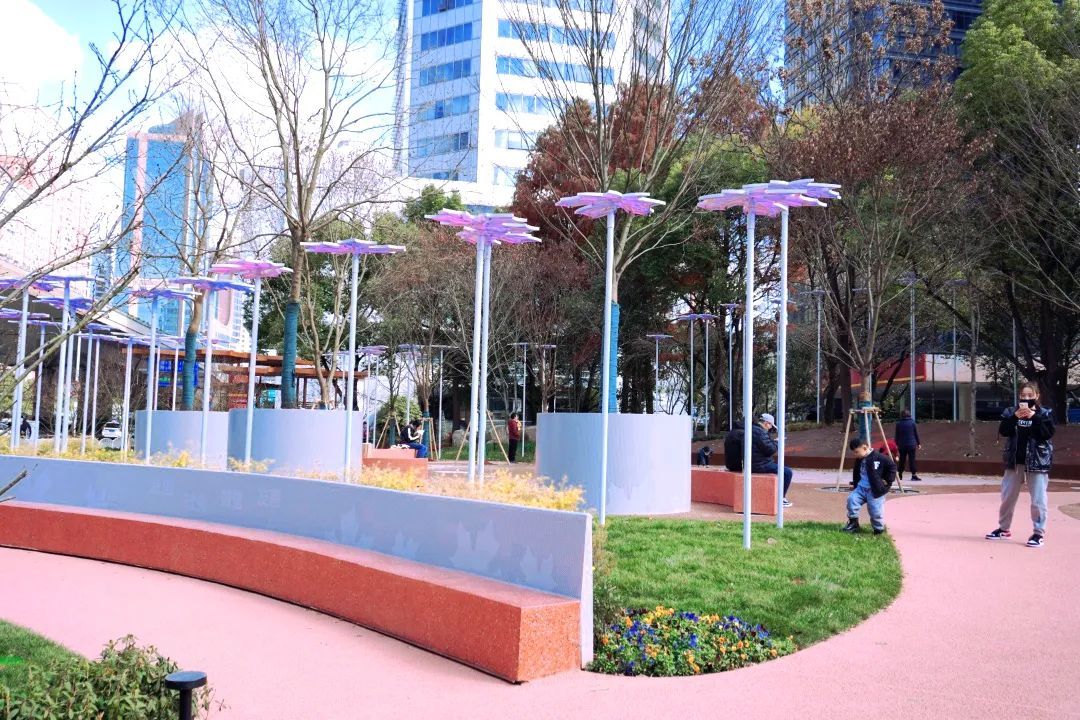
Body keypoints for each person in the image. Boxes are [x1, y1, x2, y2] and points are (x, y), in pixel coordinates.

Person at [985, 382, 1055, 547]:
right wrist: (1015, 417)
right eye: (1023, 395)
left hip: (1037, 463)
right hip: (1014, 462)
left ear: (1037, 396)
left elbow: (1047, 434)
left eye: (1030, 395)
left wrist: (1034, 417)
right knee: (1007, 497)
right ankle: (1004, 529)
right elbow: (1004, 431)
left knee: (1038, 500)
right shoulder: (1011, 412)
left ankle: (1038, 533)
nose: (1026, 398)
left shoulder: (1044, 413)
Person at [842, 437, 896, 535]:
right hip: (861, 488)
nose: (855, 454)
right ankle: (853, 523)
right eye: (854, 452)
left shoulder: (879, 457)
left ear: (865, 448)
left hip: (875, 490)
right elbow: (857, 473)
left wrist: (888, 481)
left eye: (857, 452)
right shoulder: (859, 459)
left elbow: (892, 466)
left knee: (875, 511)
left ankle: (878, 529)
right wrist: (855, 484)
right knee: (852, 500)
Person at [751, 413, 793, 509]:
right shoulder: (760, 432)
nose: (770, 428)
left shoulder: (755, 430)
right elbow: (770, 449)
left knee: (783, 470)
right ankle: (781, 498)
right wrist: (777, 442)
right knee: (787, 472)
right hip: (760, 464)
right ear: (767, 423)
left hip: (755, 462)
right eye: (770, 425)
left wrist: (773, 442)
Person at [894, 410, 922, 482]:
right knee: (912, 460)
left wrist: (895, 444)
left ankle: (900, 474)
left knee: (902, 460)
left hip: (902, 445)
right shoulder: (912, 422)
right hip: (911, 444)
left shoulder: (898, 423)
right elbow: (916, 433)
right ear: (909, 415)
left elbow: (897, 435)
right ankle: (914, 475)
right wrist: (918, 443)